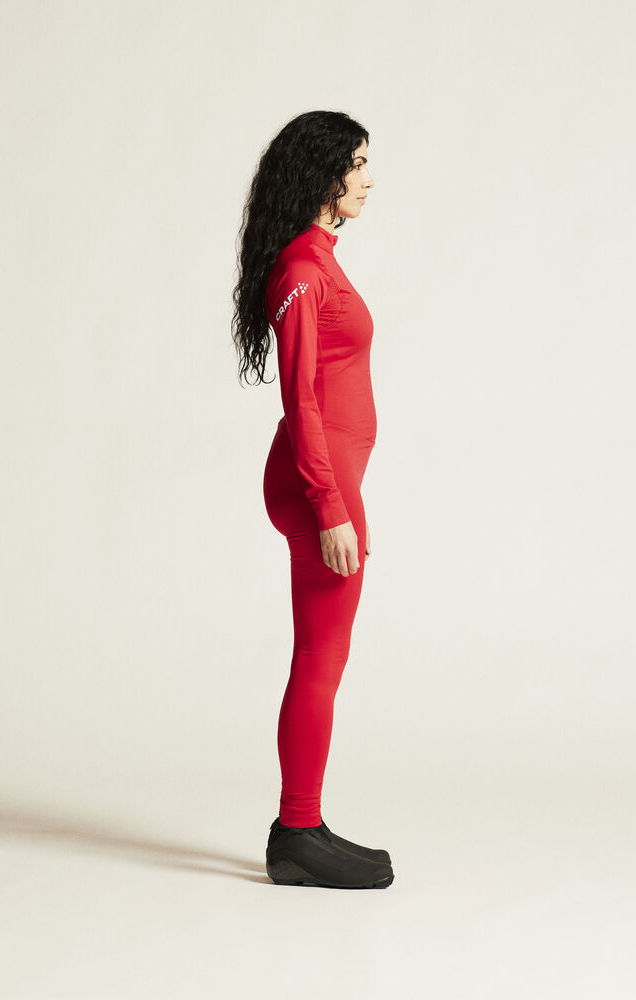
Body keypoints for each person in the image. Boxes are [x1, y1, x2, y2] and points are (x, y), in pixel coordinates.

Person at [231, 111, 393, 889]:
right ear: (322, 174)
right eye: (357, 164)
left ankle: (305, 823)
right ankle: (297, 832)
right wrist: (330, 506)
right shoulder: (303, 269)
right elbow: (301, 400)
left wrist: (344, 497)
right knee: (320, 660)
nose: (368, 179)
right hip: (313, 483)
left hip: (330, 481)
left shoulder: (319, 259)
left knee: (325, 656)